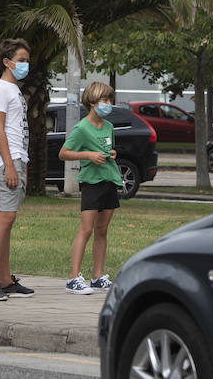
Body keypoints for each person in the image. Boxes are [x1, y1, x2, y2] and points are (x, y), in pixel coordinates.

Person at [0, 37, 35, 302]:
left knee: (8, 218)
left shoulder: (13, 89)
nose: (26, 65)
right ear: (7, 62)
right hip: (4, 160)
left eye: (27, 60)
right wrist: (10, 165)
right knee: (5, 217)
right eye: (21, 60)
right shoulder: (1, 89)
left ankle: (4, 278)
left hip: (15, 157)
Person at [58, 81, 121, 295]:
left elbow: (108, 149)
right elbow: (64, 153)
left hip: (109, 181)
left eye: (110, 100)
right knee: (86, 229)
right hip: (92, 184)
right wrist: (88, 156)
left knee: (102, 230)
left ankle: (98, 277)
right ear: (93, 102)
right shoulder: (81, 128)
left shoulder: (109, 127)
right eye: (105, 100)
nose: (108, 104)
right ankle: (73, 278)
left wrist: (112, 154)